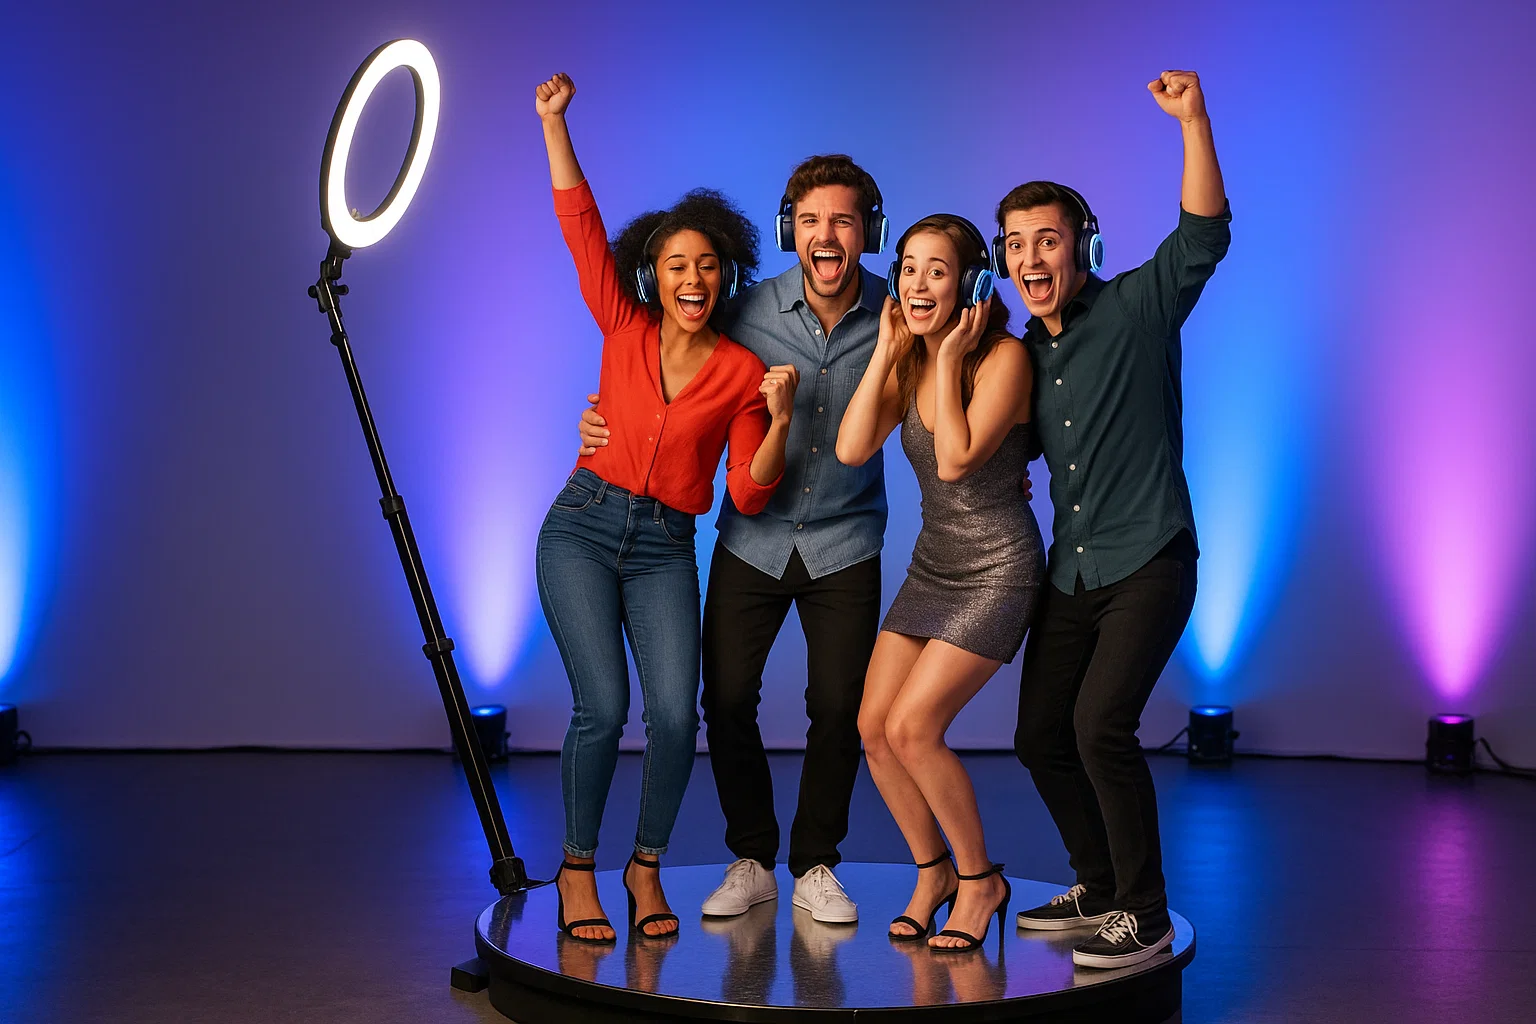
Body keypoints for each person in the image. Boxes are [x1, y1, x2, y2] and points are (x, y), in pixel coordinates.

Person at [580, 154, 893, 923]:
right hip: (751, 537)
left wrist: (1011, 461)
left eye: (843, 220)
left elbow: (968, 379)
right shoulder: (744, 310)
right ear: (791, 231)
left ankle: (817, 864)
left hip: (846, 541)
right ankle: (752, 856)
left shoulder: (899, 314)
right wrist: (604, 422)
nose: (827, 234)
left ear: (867, 234)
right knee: (721, 700)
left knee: (838, 706)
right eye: (812, 219)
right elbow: (661, 355)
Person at [533, 72, 799, 943]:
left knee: (679, 715)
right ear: (652, 273)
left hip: (663, 547)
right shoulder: (621, 325)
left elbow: (751, 491)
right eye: (676, 264)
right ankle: (578, 872)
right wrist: (555, 123)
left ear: (726, 277)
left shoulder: (735, 371)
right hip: (581, 524)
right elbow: (580, 226)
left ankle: (644, 869)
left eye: (708, 265)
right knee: (601, 709)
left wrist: (780, 420)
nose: (693, 277)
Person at [1003, 70, 1230, 969]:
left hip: (1149, 559)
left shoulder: (1139, 304)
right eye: (1015, 244)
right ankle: (1096, 884)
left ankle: (1146, 910)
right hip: (1072, 573)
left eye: (1047, 240)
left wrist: (1193, 121)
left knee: (1101, 726)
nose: (1032, 258)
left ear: (1082, 247)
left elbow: (1205, 232)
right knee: (1037, 735)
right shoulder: (1018, 353)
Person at [837, 216, 1042, 951]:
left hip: (997, 568)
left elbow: (953, 462)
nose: (920, 285)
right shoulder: (912, 356)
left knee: (914, 728)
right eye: (910, 269)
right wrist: (889, 350)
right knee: (874, 730)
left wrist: (949, 357)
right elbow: (852, 444)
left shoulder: (1003, 358)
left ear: (973, 284)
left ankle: (980, 878)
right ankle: (933, 873)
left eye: (939, 271)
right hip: (934, 565)